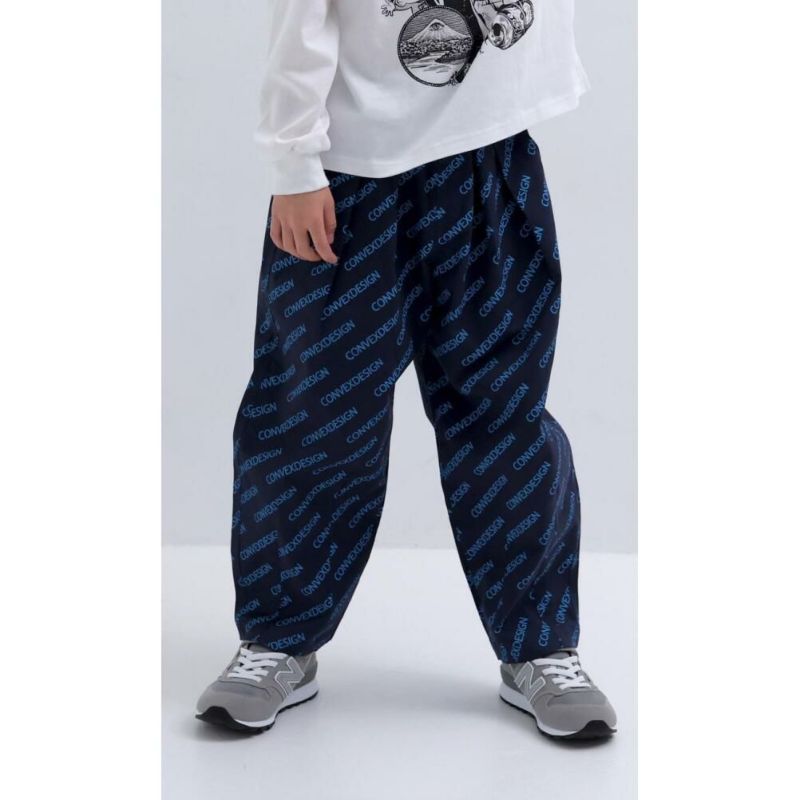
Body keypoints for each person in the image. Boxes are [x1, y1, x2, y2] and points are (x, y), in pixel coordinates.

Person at [196, 0, 618, 741]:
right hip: (349, 180)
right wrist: (294, 164)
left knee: (505, 413)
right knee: (311, 416)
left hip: (490, 157)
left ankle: (540, 646)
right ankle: (279, 639)